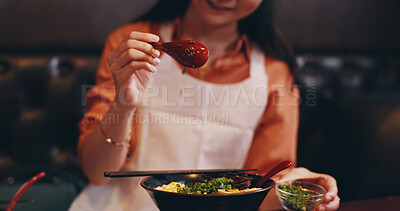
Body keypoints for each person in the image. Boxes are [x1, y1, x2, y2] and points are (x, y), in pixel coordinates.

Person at [70, 0, 339, 210]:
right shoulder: (131, 44)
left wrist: (293, 191)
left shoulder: (275, 74)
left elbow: (259, 193)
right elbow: (97, 173)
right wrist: (123, 103)